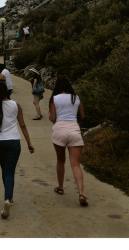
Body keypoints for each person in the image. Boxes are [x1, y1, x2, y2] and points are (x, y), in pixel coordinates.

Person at [0, 83, 35, 219]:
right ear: (7, 91)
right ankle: (8, 199)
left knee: (4, 169)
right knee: (9, 171)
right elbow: (22, 125)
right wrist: (29, 143)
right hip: (13, 143)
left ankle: (9, 198)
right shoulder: (15, 105)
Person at [49, 76, 88, 206]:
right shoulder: (76, 98)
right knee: (76, 164)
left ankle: (60, 187)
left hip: (59, 130)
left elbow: (52, 117)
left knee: (61, 160)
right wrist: (75, 123)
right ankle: (81, 193)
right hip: (74, 130)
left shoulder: (54, 99)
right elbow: (82, 116)